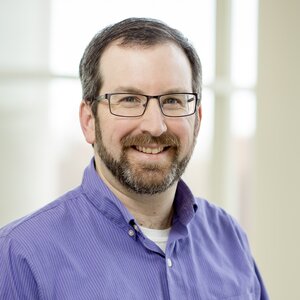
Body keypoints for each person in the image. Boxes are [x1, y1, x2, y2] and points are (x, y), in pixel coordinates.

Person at [0, 17, 268, 299]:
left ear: (197, 120)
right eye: (129, 99)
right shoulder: (19, 255)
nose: (155, 125)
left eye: (173, 100)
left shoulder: (229, 239)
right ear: (89, 120)